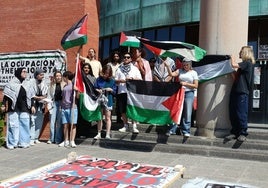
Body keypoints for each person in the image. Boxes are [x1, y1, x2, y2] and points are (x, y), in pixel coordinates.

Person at [164, 57, 199, 138]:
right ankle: (172, 129)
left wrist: (185, 84)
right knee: (176, 110)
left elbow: (196, 85)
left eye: (187, 65)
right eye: (184, 65)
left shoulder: (194, 73)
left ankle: (186, 130)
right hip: (179, 92)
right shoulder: (179, 70)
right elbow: (171, 75)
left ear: (190, 65)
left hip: (189, 93)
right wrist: (168, 67)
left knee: (187, 112)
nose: (185, 66)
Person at [2, 68, 34, 149]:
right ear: (19, 72)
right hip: (13, 108)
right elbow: (6, 95)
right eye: (23, 71)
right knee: (13, 125)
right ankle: (12, 143)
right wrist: (3, 105)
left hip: (24, 107)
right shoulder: (11, 83)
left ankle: (23, 142)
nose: (25, 73)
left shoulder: (27, 84)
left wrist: (33, 105)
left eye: (26, 72)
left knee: (25, 125)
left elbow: (31, 96)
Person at [229, 46, 255, 142]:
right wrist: (231, 73)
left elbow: (234, 64)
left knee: (241, 113)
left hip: (242, 92)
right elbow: (236, 77)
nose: (239, 53)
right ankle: (235, 132)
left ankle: (243, 133)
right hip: (235, 90)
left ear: (245, 53)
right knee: (233, 113)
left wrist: (231, 58)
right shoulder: (243, 66)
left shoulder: (247, 63)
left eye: (241, 51)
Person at [115, 52, 142, 133]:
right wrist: (122, 80)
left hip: (132, 92)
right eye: (125, 57)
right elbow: (115, 80)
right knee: (122, 110)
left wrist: (132, 79)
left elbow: (140, 80)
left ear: (130, 59)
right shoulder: (119, 69)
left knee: (132, 108)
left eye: (128, 57)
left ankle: (134, 126)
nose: (126, 58)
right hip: (122, 91)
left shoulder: (135, 68)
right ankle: (125, 125)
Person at [93, 65, 117, 139]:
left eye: (108, 73)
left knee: (108, 117)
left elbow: (115, 91)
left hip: (108, 99)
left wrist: (111, 90)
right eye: (105, 73)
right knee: (99, 117)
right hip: (100, 99)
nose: (106, 75)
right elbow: (94, 88)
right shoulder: (98, 79)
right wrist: (98, 90)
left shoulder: (112, 81)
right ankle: (99, 133)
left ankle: (107, 134)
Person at [59, 71, 78, 147]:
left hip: (72, 107)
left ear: (66, 77)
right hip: (64, 107)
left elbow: (77, 97)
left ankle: (72, 140)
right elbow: (63, 98)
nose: (63, 78)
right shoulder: (64, 87)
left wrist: (77, 91)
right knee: (65, 125)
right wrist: (61, 106)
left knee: (73, 125)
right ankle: (66, 140)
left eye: (63, 77)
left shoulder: (73, 86)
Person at [30, 68, 48, 145]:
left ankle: (36, 138)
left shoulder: (44, 83)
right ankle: (31, 138)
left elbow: (46, 93)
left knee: (39, 122)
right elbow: (30, 95)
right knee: (32, 122)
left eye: (43, 75)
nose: (42, 76)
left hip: (41, 105)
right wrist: (38, 98)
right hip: (34, 104)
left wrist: (44, 98)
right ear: (36, 75)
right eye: (41, 75)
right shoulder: (31, 83)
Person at [46, 71, 65, 144]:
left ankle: (58, 139)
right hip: (53, 104)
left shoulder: (64, 84)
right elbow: (49, 96)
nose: (58, 77)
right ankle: (51, 138)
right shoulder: (51, 85)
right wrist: (49, 105)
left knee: (59, 123)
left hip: (61, 104)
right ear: (54, 77)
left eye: (59, 76)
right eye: (57, 76)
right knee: (52, 122)